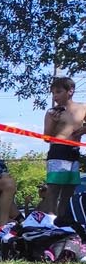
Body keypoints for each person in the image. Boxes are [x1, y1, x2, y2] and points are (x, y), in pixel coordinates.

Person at [38, 75, 86, 219]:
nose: (55, 96)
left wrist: (84, 129)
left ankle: (63, 219)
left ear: (70, 91)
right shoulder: (52, 112)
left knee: (69, 189)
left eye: (58, 92)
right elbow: (46, 138)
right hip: (57, 151)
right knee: (54, 187)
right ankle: (50, 218)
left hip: (74, 152)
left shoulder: (82, 108)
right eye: (53, 93)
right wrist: (53, 122)